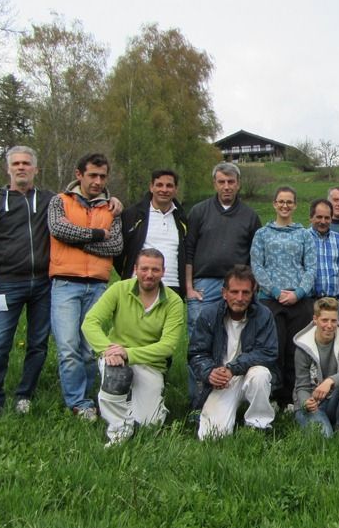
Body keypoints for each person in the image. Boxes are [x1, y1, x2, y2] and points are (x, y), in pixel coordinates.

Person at [0, 145, 54, 418]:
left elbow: (79, 196)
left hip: (44, 284)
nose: (21, 167)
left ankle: (24, 395)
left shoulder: (48, 201)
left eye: (26, 163)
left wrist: (111, 200)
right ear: (8, 169)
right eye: (16, 163)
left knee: (38, 343)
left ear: (35, 169)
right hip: (6, 284)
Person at [81, 249, 185, 446]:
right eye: (144, 268)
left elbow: (168, 346)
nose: (149, 274)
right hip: (116, 360)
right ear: (135, 269)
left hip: (150, 363)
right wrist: (107, 350)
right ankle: (119, 431)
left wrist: (128, 353)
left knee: (149, 424)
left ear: (164, 271)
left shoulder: (174, 301)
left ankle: (131, 405)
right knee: (116, 375)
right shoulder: (119, 289)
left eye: (155, 269)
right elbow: (90, 322)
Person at [48, 152, 123, 420]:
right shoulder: (60, 202)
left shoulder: (112, 208)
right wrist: (98, 235)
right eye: (92, 175)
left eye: (103, 176)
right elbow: (59, 230)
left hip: (98, 285)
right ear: (79, 175)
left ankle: (91, 396)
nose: (98, 181)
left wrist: (80, 240)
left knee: (90, 349)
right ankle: (78, 402)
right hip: (65, 283)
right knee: (68, 347)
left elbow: (116, 245)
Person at [188, 265, 279, 439]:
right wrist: (210, 373)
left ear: (253, 293)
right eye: (234, 292)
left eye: (246, 292)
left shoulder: (263, 315)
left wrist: (233, 368)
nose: (240, 298)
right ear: (224, 293)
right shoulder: (209, 315)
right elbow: (196, 353)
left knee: (260, 374)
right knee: (212, 437)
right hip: (222, 379)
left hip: (248, 374)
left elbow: (268, 352)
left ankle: (258, 425)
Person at [250, 186, 316, 406]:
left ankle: (291, 397)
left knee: (295, 350)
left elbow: (311, 268)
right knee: (273, 349)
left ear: (295, 205)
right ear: (274, 204)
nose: (285, 206)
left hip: (299, 300)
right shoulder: (262, 234)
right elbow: (257, 266)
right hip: (270, 300)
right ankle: (272, 395)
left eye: (289, 202)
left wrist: (298, 293)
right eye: (281, 201)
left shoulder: (304, 234)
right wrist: (276, 292)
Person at [184, 162, 262, 334]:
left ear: (238, 183)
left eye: (231, 182)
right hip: (204, 285)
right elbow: (188, 251)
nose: (226, 187)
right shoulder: (199, 212)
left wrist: (253, 286)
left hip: (238, 285)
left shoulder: (250, 216)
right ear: (215, 184)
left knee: (235, 333)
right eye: (222, 182)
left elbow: (256, 256)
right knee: (200, 333)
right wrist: (188, 288)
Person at [292, 297, 339, 437]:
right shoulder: (302, 345)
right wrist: (306, 403)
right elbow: (301, 386)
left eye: (334, 321)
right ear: (315, 320)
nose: (329, 326)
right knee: (324, 437)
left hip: (334, 397)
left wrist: (330, 381)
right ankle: (323, 425)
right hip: (312, 402)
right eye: (324, 320)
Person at [115, 169, 187, 298]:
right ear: (151, 187)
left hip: (172, 287)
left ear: (176, 189)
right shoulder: (132, 215)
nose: (164, 190)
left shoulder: (183, 219)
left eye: (169, 186)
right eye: (159, 185)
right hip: (139, 285)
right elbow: (119, 252)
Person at [307, 198, 339, 320]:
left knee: (337, 338)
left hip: (335, 303)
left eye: (327, 218)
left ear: (331, 219)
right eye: (319, 217)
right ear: (311, 217)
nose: (323, 221)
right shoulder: (303, 239)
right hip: (310, 302)